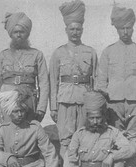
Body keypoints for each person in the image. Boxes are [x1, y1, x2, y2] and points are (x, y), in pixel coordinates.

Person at [63, 91, 133, 167]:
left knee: (119, 161)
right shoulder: (79, 134)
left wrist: (112, 156)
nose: (95, 122)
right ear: (87, 117)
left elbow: (130, 149)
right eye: (92, 118)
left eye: (98, 118)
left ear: (104, 117)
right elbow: (70, 160)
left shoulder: (113, 132)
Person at [96, 5, 136, 140]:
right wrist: (102, 105)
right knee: (115, 136)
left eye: (128, 28)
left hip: (135, 103)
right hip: (113, 102)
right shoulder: (108, 52)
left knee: (135, 136)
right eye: (122, 28)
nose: (126, 32)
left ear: (133, 29)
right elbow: (101, 81)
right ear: (117, 29)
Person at [49, 0, 97, 158]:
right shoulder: (58, 53)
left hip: (85, 101)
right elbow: (53, 82)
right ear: (66, 30)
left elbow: (95, 80)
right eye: (72, 29)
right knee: (65, 140)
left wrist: (94, 105)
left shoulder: (90, 52)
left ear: (82, 30)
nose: (75, 32)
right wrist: (54, 107)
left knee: (84, 138)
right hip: (65, 101)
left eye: (78, 29)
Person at [0, 12, 49, 123]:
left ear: (27, 33)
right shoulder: (3, 55)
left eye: (22, 32)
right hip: (6, 102)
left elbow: (44, 83)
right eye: (15, 32)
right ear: (11, 34)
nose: (19, 35)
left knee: (28, 135)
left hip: (28, 101)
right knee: (8, 135)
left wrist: (41, 109)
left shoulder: (37, 55)